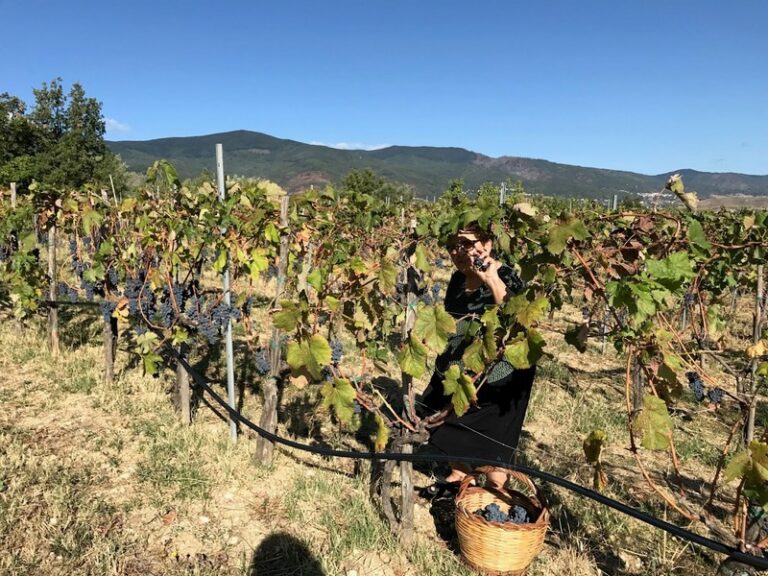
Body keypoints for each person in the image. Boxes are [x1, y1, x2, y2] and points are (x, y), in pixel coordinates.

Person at [418, 222, 536, 495]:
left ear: (488, 245)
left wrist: (491, 280)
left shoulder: (506, 276)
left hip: (501, 372)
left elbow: (519, 322)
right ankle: (459, 475)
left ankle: (496, 492)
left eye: (466, 244)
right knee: (437, 410)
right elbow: (453, 321)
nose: (457, 251)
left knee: (492, 439)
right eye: (452, 246)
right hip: (464, 364)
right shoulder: (457, 280)